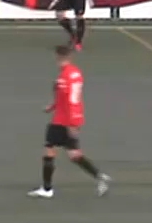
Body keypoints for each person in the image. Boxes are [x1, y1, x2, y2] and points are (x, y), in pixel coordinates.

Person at [28, 45, 111, 199]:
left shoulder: (65, 76)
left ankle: (47, 189)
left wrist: (72, 123)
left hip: (62, 121)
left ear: (58, 57)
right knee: (74, 155)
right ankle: (99, 176)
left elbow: (70, 100)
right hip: (68, 118)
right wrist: (52, 107)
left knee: (49, 151)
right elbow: (68, 98)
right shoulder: (75, 73)